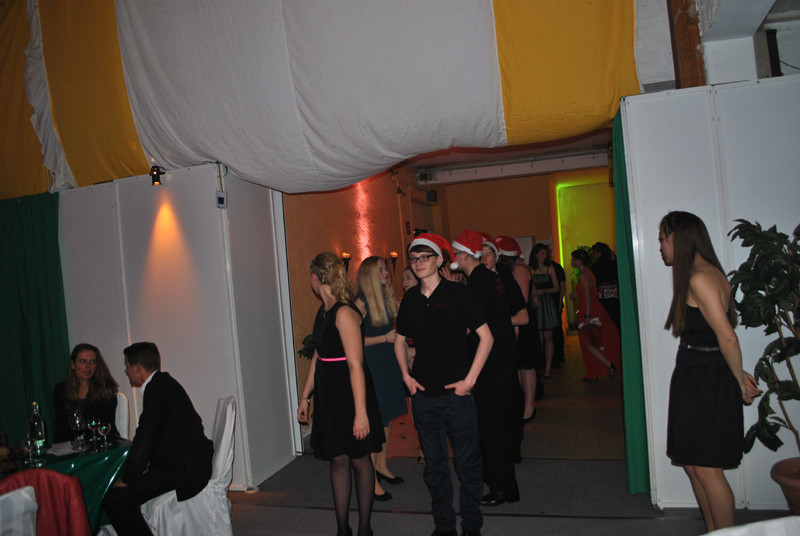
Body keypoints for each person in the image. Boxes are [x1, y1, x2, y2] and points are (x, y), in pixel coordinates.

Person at [659, 211, 761, 532]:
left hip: (706, 381)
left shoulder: (700, 277)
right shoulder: (699, 273)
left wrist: (737, 377)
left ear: (678, 238)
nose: (660, 246)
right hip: (695, 375)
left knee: (707, 470)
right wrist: (736, 372)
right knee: (693, 465)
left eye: (663, 239)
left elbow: (727, 337)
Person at [394, 233, 491, 536]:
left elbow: (486, 337)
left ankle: (471, 526)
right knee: (434, 468)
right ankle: (444, 526)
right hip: (424, 398)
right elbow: (399, 339)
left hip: (456, 396)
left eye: (425, 257)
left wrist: (469, 381)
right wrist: (406, 375)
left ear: (439, 260)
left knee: (467, 465)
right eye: (414, 258)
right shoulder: (411, 299)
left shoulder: (458, 294)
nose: (418, 263)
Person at [298, 252, 384, 536]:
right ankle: (342, 529)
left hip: (351, 394)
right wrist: (305, 397)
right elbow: (319, 355)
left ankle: (364, 528)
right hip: (329, 395)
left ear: (315, 277)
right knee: (337, 459)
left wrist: (361, 414)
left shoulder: (344, 312)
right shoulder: (323, 311)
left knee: (359, 460)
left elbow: (356, 365)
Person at [103, 342, 214, 536]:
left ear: (138, 369)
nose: (125, 371)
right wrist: (144, 466)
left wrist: (129, 477)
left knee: (115, 500)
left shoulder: (157, 390)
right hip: (183, 461)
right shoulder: (162, 384)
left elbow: (146, 434)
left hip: (184, 468)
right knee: (119, 496)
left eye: (127, 365)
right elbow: (156, 437)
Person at [453, 229, 525, 507]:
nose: (454, 258)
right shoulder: (488, 278)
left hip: (491, 365)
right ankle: (499, 480)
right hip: (501, 361)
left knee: (492, 427)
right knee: (497, 425)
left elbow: (471, 326)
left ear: (464, 255)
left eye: (456, 253)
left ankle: (503, 487)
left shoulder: (477, 283)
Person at [356, 256, 407, 501]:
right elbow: (353, 341)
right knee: (377, 420)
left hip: (387, 362)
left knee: (387, 417)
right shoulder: (361, 302)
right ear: (368, 275)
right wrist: (384, 338)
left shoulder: (386, 297)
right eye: (379, 270)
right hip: (372, 364)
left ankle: (382, 466)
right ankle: (371, 479)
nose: (385, 272)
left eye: (385, 268)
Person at [495, 236, 543, 422]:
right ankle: (524, 405)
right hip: (515, 320)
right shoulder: (512, 269)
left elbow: (520, 300)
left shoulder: (519, 269)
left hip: (523, 323)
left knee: (526, 365)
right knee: (520, 365)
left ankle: (529, 407)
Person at [569, 249, 621, 381]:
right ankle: (595, 372)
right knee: (593, 340)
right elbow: (592, 292)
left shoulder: (583, 275)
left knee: (588, 343)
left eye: (573, 258)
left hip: (588, 309)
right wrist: (577, 294)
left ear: (578, 261)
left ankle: (609, 365)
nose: (571, 261)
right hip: (594, 307)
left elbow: (587, 295)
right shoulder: (589, 272)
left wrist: (587, 315)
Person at [53, 343, 119, 443]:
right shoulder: (61, 390)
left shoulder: (106, 391)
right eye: (83, 361)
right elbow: (60, 428)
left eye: (92, 362)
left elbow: (106, 428)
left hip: (99, 444)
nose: (88, 366)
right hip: (70, 447)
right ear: (73, 364)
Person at [529, 243, 561, 378]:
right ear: (536, 254)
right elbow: (529, 287)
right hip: (535, 303)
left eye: (545, 253)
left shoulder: (550, 268)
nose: (544, 256)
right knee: (538, 337)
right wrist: (535, 295)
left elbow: (557, 288)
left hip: (547, 303)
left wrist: (544, 291)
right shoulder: (530, 269)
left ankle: (548, 368)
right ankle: (538, 366)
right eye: (542, 253)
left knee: (548, 336)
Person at [591, 242, 621, 329]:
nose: (593, 255)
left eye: (594, 252)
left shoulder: (597, 267)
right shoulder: (614, 263)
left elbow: (595, 282)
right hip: (615, 297)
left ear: (600, 252)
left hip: (603, 298)